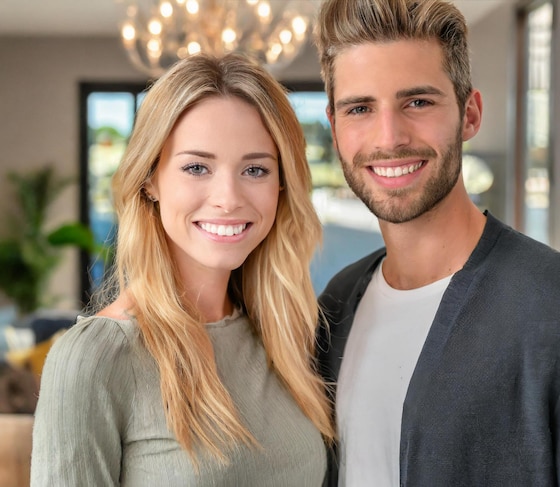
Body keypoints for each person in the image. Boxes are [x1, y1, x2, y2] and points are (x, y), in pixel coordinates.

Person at [313, 0, 560, 485]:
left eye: (418, 102)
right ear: (335, 131)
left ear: (470, 114)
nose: (390, 136)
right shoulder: (335, 305)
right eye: (360, 108)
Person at [31, 52, 334, 486]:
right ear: (150, 179)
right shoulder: (94, 358)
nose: (227, 197)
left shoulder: (283, 334)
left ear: (282, 185)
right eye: (196, 167)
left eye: (255, 169)